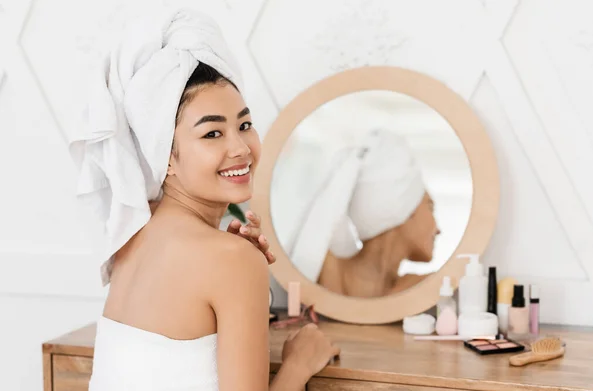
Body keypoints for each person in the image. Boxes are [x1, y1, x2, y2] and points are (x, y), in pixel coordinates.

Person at [69, 7, 339, 391]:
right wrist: (300, 362)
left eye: (244, 125)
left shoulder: (134, 233)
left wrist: (237, 268)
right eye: (212, 134)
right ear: (165, 155)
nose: (241, 147)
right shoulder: (231, 259)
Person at [286, 129, 440, 297]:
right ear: (407, 211)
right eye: (430, 207)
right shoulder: (325, 269)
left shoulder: (423, 287)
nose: (439, 229)